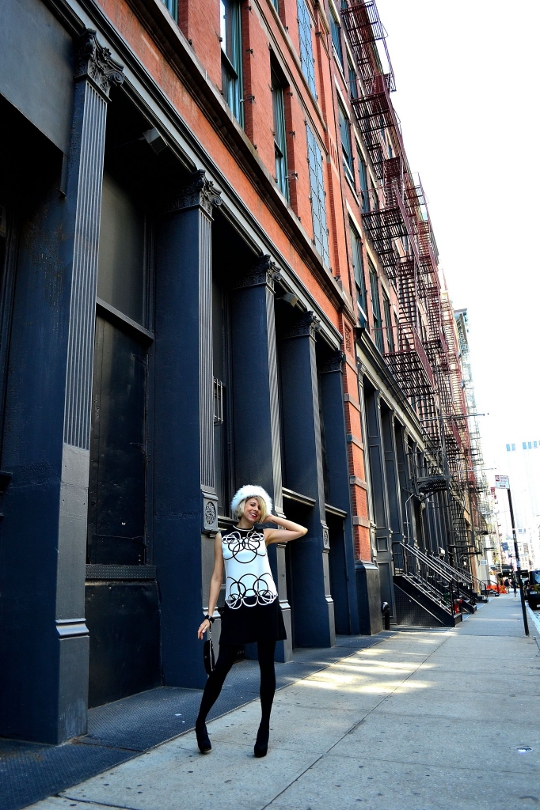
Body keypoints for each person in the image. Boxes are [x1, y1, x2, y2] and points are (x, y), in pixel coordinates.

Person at [196, 485, 307, 758]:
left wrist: (273, 517)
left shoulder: (264, 535)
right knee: (222, 666)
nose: (255, 509)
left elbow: (301, 531)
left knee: (267, 667)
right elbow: (216, 577)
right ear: (241, 505)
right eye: (252, 504)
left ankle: (263, 728)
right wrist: (209, 614)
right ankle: (200, 722)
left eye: (259, 506)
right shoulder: (222, 537)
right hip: (236, 607)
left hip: (266, 605)